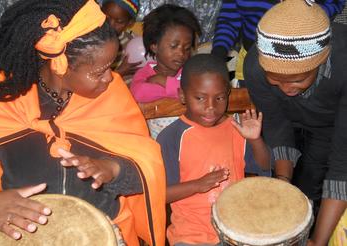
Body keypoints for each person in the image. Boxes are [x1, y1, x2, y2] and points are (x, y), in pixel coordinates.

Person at [0, 0, 166, 245]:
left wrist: (113, 170)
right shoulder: (0, 97)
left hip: (103, 226)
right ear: (60, 65)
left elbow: (146, 166)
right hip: (24, 231)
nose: (110, 78)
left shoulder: (112, 94)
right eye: (98, 71)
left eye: (111, 66)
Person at [243, 0, 347, 244]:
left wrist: (317, 242)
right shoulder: (255, 67)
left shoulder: (344, 64)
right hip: (293, 118)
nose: (287, 89)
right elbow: (278, 126)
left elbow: (342, 165)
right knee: (293, 195)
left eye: (298, 80)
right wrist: (283, 184)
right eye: (275, 81)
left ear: (321, 61)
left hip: (333, 126)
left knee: (315, 190)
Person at [157, 54, 271, 245]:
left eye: (219, 98)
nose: (211, 107)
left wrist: (255, 140)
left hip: (235, 228)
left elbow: (265, 166)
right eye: (200, 98)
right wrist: (198, 185)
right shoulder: (171, 138)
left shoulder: (236, 129)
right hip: (191, 235)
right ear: (183, 95)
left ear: (227, 94)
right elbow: (160, 194)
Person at [211, 0, 346, 85]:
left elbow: (335, 4)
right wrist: (219, 53)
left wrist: (310, 11)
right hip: (253, 56)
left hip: (301, 59)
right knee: (254, 106)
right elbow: (228, 21)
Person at [130, 4, 201, 103]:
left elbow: (199, 93)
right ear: (154, 46)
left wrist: (163, 81)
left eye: (187, 48)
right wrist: (178, 92)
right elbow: (139, 94)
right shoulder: (144, 74)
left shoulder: (191, 72)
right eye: (173, 46)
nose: (181, 53)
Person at [101, 0, 141, 79]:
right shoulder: (90, 41)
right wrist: (119, 72)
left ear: (130, 23)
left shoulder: (132, 42)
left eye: (119, 21)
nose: (111, 25)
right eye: (107, 18)